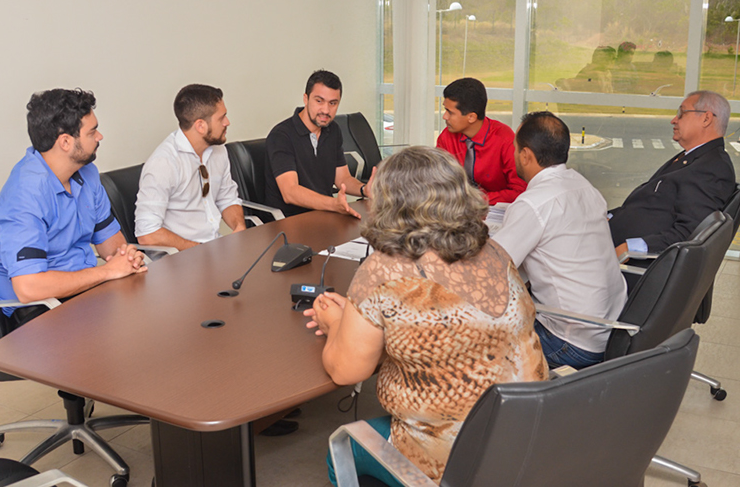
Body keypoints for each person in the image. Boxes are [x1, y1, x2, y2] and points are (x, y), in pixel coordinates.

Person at [304, 146, 547, 486]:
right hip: (529, 439)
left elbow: (346, 370)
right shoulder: (494, 250)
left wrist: (335, 325)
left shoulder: (384, 269)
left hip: (455, 463)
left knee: (340, 450)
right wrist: (360, 316)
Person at [0, 89, 146, 325]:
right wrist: (107, 272)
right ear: (65, 142)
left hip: (83, 293)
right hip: (38, 312)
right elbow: (28, 287)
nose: (100, 136)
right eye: (92, 132)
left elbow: (110, 241)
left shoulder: (87, 173)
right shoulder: (25, 193)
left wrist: (126, 258)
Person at [492, 112, 627, 369]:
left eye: (515, 148)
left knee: (468, 339)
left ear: (526, 155)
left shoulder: (533, 204)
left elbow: (493, 270)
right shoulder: (584, 186)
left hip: (569, 342)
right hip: (610, 329)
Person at [610, 90, 736, 256]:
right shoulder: (693, 157)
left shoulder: (711, 168)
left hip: (624, 259)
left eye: (682, 113)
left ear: (706, 118)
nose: (674, 120)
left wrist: (629, 248)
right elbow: (651, 202)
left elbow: (690, 233)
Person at [135, 84, 245, 251]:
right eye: (222, 118)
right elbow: (147, 233)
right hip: (178, 260)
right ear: (200, 125)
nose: (227, 122)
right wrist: (199, 250)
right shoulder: (163, 163)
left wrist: (239, 228)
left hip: (213, 251)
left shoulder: (218, 150)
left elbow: (227, 198)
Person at [265, 70, 372, 218]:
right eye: (319, 101)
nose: (326, 110)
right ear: (306, 99)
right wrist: (334, 204)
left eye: (333, 103)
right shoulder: (281, 135)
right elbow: (290, 192)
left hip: (324, 216)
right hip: (290, 222)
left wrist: (364, 190)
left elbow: (342, 179)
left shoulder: (333, 130)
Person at [436, 78, 526, 205]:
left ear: (471, 117)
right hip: (456, 210)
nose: (444, 116)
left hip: (496, 212)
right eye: (445, 110)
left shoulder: (505, 140)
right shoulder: (446, 137)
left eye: (450, 112)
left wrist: (476, 199)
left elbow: (519, 190)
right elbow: (439, 183)